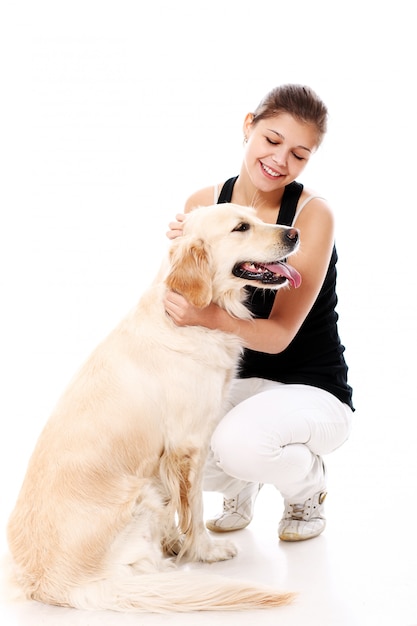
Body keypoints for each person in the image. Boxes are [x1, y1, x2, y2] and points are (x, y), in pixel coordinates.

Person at [164, 84, 354, 542]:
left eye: (299, 154)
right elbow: (187, 302)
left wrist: (206, 317)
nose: (280, 161)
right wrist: (187, 254)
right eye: (272, 140)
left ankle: (307, 486)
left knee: (239, 443)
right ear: (249, 126)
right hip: (237, 383)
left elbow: (279, 334)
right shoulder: (203, 205)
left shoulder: (312, 215)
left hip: (312, 388)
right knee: (164, 446)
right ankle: (242, 483)